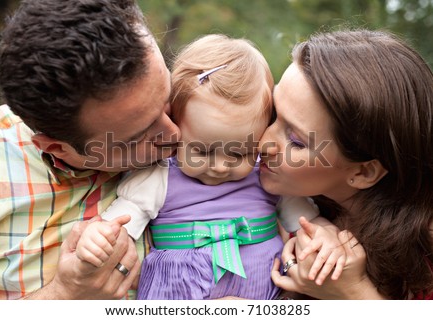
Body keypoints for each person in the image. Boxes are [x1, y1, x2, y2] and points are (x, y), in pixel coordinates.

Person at [75, 34, 335, 300]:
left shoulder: (266, 175)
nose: (221, 166)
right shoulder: (160, 175)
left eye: (239, 153)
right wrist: (98, 236)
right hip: (179, 296)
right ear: (177, 128)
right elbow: (120, 223)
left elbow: (308, 221)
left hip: (264, 297)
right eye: (202, 151)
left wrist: (326, 237)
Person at [0, 0, 180, 299]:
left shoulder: (199, 118)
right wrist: (64, 295)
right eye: (137, 138)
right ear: (58, 149)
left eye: (167, 97)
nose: (174, 134)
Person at [258, 29, 433, 299]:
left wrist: (354, 294)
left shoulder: (425, 256)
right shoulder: (275, 200)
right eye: (271, 113)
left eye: (295, 141)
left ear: (363, 171)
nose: (262, 144)